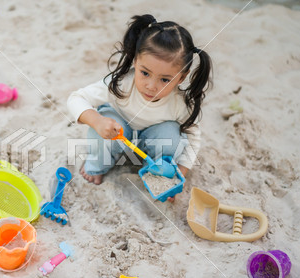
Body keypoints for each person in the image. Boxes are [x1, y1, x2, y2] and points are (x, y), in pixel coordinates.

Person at [67, 14, 212, 201]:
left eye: (165, 80)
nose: (151, 86)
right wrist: (96, 121)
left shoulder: (180, 103)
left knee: (171, 135)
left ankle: (157, 173)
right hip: (117, 134)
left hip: (150, 143)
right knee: (103, 124)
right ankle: (98, 165)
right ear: (135, 61)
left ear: (182, 78)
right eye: (145, 73)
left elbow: (193, 137)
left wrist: (181, 172)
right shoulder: (121, 83)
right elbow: (76, 98)